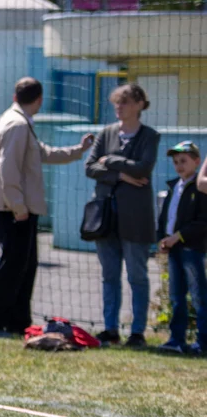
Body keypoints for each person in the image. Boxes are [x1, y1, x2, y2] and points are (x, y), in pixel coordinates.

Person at [0, 78, 94, 337]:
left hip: (20, 208)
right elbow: (8, 171)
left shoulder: (20, 122)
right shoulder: (17, 125)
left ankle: (18, 322)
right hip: (15, 210)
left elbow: (43, 153)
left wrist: (79, 150)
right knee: (12, 267)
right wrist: (18, 206)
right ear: (40, 100)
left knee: (25, 266)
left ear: (14, 95)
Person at [85, 83, 161, 347]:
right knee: (109, 275)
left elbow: (143, 168)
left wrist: (111, 160)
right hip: (105, 216)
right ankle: (110, 329)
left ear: (139, 105)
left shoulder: (150, 136)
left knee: (137, 275)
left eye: (125, 102)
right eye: (117, 102)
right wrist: (120, 175)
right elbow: (90, 167)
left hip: (135, 218)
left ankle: (137, 332)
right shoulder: (106, 133)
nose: (119, 107)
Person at [157, 141, 207, 355]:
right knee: (177, 296)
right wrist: (163, 238)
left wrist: (179, 236)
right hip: (174, 248)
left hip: (192, 248)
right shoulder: (173, 186)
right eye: (176, 162)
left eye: (184, 161)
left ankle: (202, 341)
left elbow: (203, 222)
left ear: (197, 162)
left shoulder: (200, 188)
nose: (179, 166)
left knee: (198, 297)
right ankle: (176, 339)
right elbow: (166, 217)